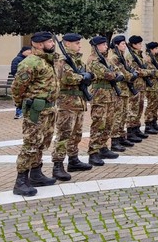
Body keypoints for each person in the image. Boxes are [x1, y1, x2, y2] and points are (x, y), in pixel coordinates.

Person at [11, 31, 61, 196]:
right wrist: (21, 105)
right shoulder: (30, 62)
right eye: (49, 42)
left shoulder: (47, 61)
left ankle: (36, 173)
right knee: (31, 144)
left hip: (49, 109)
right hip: (36, 110)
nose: (52, 44)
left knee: (42, 142)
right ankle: (21, 180)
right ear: (39, 44)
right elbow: (18, 87)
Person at [51, 33, 93, 181]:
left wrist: (87, 77)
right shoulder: (62, 60)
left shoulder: (78, 61)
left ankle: (73, 160)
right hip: (67, 103)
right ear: (67, 44)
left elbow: (84, 76)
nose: (79, 45)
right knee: (64, 134)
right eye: (76, 43)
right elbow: (65, 78)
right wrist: (83, 77)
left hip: (78, 102)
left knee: (76, 134)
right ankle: (58, 165)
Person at [86, 36, 126, 166]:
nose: (106, 47)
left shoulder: (106, 60)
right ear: (96, 46)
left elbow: (117, 70)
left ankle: (103, 147)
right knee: (99, 124)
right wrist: (115, 75)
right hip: (100, 97)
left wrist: (116, 74)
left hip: (110, 96)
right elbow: (107, 74)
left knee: (108, 123)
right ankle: (93, 153)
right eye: (103, 45)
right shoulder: (93, 60)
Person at [110, 35, 143, 144]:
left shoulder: (122, 57)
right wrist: (132, 75)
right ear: (116, 46)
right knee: (118, 115)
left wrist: (133, 73)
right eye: (122, 44)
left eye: (125, 43)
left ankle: (121, 136)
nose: (125, 45)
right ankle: (115, 140)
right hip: (119, 90)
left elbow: (130, 69)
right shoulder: (114, 58)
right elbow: (123, 73)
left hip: (125, 90)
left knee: (123, 114)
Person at [125, 35, 157, 134]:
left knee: (139, 108)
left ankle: (136, 128)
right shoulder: (130, 56)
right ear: (133, 44)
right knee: (133, 109)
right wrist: (149, 72)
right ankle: (131, 130)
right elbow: (136, 70)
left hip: (141, 86)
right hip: (135, 85)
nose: (140, 45)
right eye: (139, 43)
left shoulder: (139, 55)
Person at [10, 46, 32, 119]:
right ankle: (19, 113)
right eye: (29, 50)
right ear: (24, 51)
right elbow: (14, 71)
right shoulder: (17, 59)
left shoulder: (28, 59)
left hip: (28, 82)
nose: (30, 52)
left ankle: (26, 111)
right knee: (20, 96)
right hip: (20, 82)